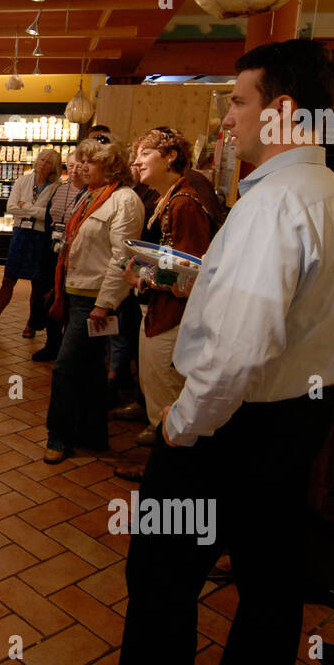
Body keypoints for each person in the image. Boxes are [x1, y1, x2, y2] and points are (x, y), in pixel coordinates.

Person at [116, 39, 334, 665]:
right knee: (270, 582)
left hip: (230, 426)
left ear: (282, 109)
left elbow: (241, 349)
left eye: (238, 101)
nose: (227, 119)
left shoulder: (273, 205)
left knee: (159, 578)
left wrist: (184, 423)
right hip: (301, 418)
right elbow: (311, 311)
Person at [117, 127, 216, 474]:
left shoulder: (183, 203)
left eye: (145, 153)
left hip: (173, 317)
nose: (136, 161)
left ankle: (166, 472)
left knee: (168, 397)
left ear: (170, 156)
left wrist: (142, 276)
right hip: (165, 312)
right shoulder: (172, 198)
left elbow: (192, 275)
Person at [42, 139, 143, 463]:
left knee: (65, 368)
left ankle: (58, 436)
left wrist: (105, 303)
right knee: (89, 369)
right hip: (78, 292)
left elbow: (122, 257)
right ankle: (92, 432)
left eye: (90, 162)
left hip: (94, 300)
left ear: (111, 167)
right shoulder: (91, 195)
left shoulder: (123, 200)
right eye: (81, 160)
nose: (82, 167)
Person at [0, 148, 62, 333]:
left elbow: (49, 215)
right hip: (21, 234)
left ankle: (31, 323)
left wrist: (27, 207)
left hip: (40, 236)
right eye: (41, 159)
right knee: (8, 279)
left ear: (53, 168)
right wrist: (37, 210)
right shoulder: (23, 180)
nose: (42, 164)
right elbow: (11, 207)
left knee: (37, 283)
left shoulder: (57, 187)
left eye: (48, 162)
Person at [30, 148, 85, 362]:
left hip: (72, 254)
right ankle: (51, 343)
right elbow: (47, 217)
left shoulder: (89, 194)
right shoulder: (59, 189)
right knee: (48, 295)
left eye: (78, 166)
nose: (74, 171)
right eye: (70, 166)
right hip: (52, 250)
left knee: (67, 298)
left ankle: (66, 346)